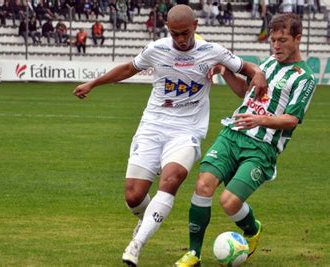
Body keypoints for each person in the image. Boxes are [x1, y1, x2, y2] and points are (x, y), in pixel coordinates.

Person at [72, 5, 266, 267]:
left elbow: (247, 67)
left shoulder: (212, 51)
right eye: (175, 34)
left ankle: (136, 246)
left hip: (187, 131)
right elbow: (129, 68)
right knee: (133, 196)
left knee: (171, 179)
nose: (180, 39)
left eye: (185, 33)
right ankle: (146, 217)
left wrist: (259, 73)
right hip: (153, 126)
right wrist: (93, 83)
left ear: (195, 26)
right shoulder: (157, 49)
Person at [175, 12, 317, 267]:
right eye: (273, 40)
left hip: (262, 148)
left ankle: (252, 230)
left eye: (283, 40)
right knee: (203, 185)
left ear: (298, 38)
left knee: (229, 202)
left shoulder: (304, 78)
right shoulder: (268, 64)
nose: (276, 46)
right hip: (232, 134)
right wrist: (225, 71)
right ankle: (193, 254)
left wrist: (260, 120)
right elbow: (245, 92)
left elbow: (292, 120)